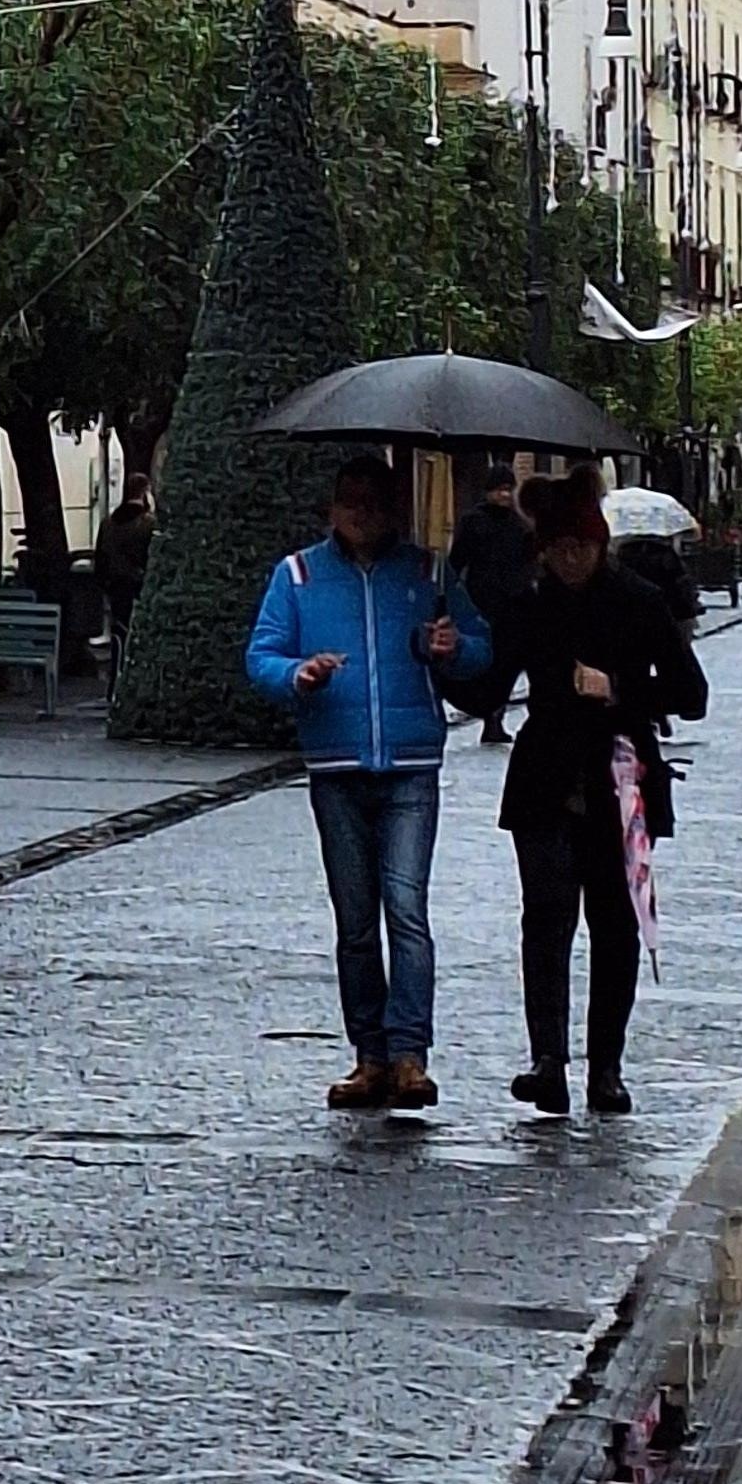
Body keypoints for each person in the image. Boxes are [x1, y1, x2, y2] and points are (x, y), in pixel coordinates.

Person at [245, 457, 488, 1114]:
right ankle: (369, 1055)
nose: (361, 513)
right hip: (337, 765)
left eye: (373, 502)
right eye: (349, 501)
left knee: (406, 913)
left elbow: (480, 648)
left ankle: (410, 1054)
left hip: (410, 764)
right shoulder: (296, 576)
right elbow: (262, 655)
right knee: (355, 923)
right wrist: (298, 674)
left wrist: (452, 646)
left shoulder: (426, 574)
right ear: (331, 509)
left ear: (392, 510)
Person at [498, 477, 707, 1118]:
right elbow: (486, 686)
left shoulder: (639, 600)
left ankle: (606, 1067)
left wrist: (618, 689)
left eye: (580, 547)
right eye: (558, 548)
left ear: (599, 544)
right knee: (547, 919)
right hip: (545, 780)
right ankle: (548, 1061)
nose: (569, 559)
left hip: (619, 780)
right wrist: (437, 650)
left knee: (614, 927)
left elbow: (690, 694)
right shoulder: (530, 602)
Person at [447, 460, 538, 746]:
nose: (505, 495)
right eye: (499, 489)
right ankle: (490, 715)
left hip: (516, 606)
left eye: (509, 489)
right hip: (482, 604)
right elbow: (456, 560)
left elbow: (530, 560)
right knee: (486, 664)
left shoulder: (519, 524)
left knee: (508, 664)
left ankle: (495, 716)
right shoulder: (473, 521)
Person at [95, 469, 156, 680]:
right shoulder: (148, 524)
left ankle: (116, 676)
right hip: (138, 585)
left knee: (118, 634)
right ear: (145, 492)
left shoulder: (108, 523)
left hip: (115, 586)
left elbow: (100, 559)